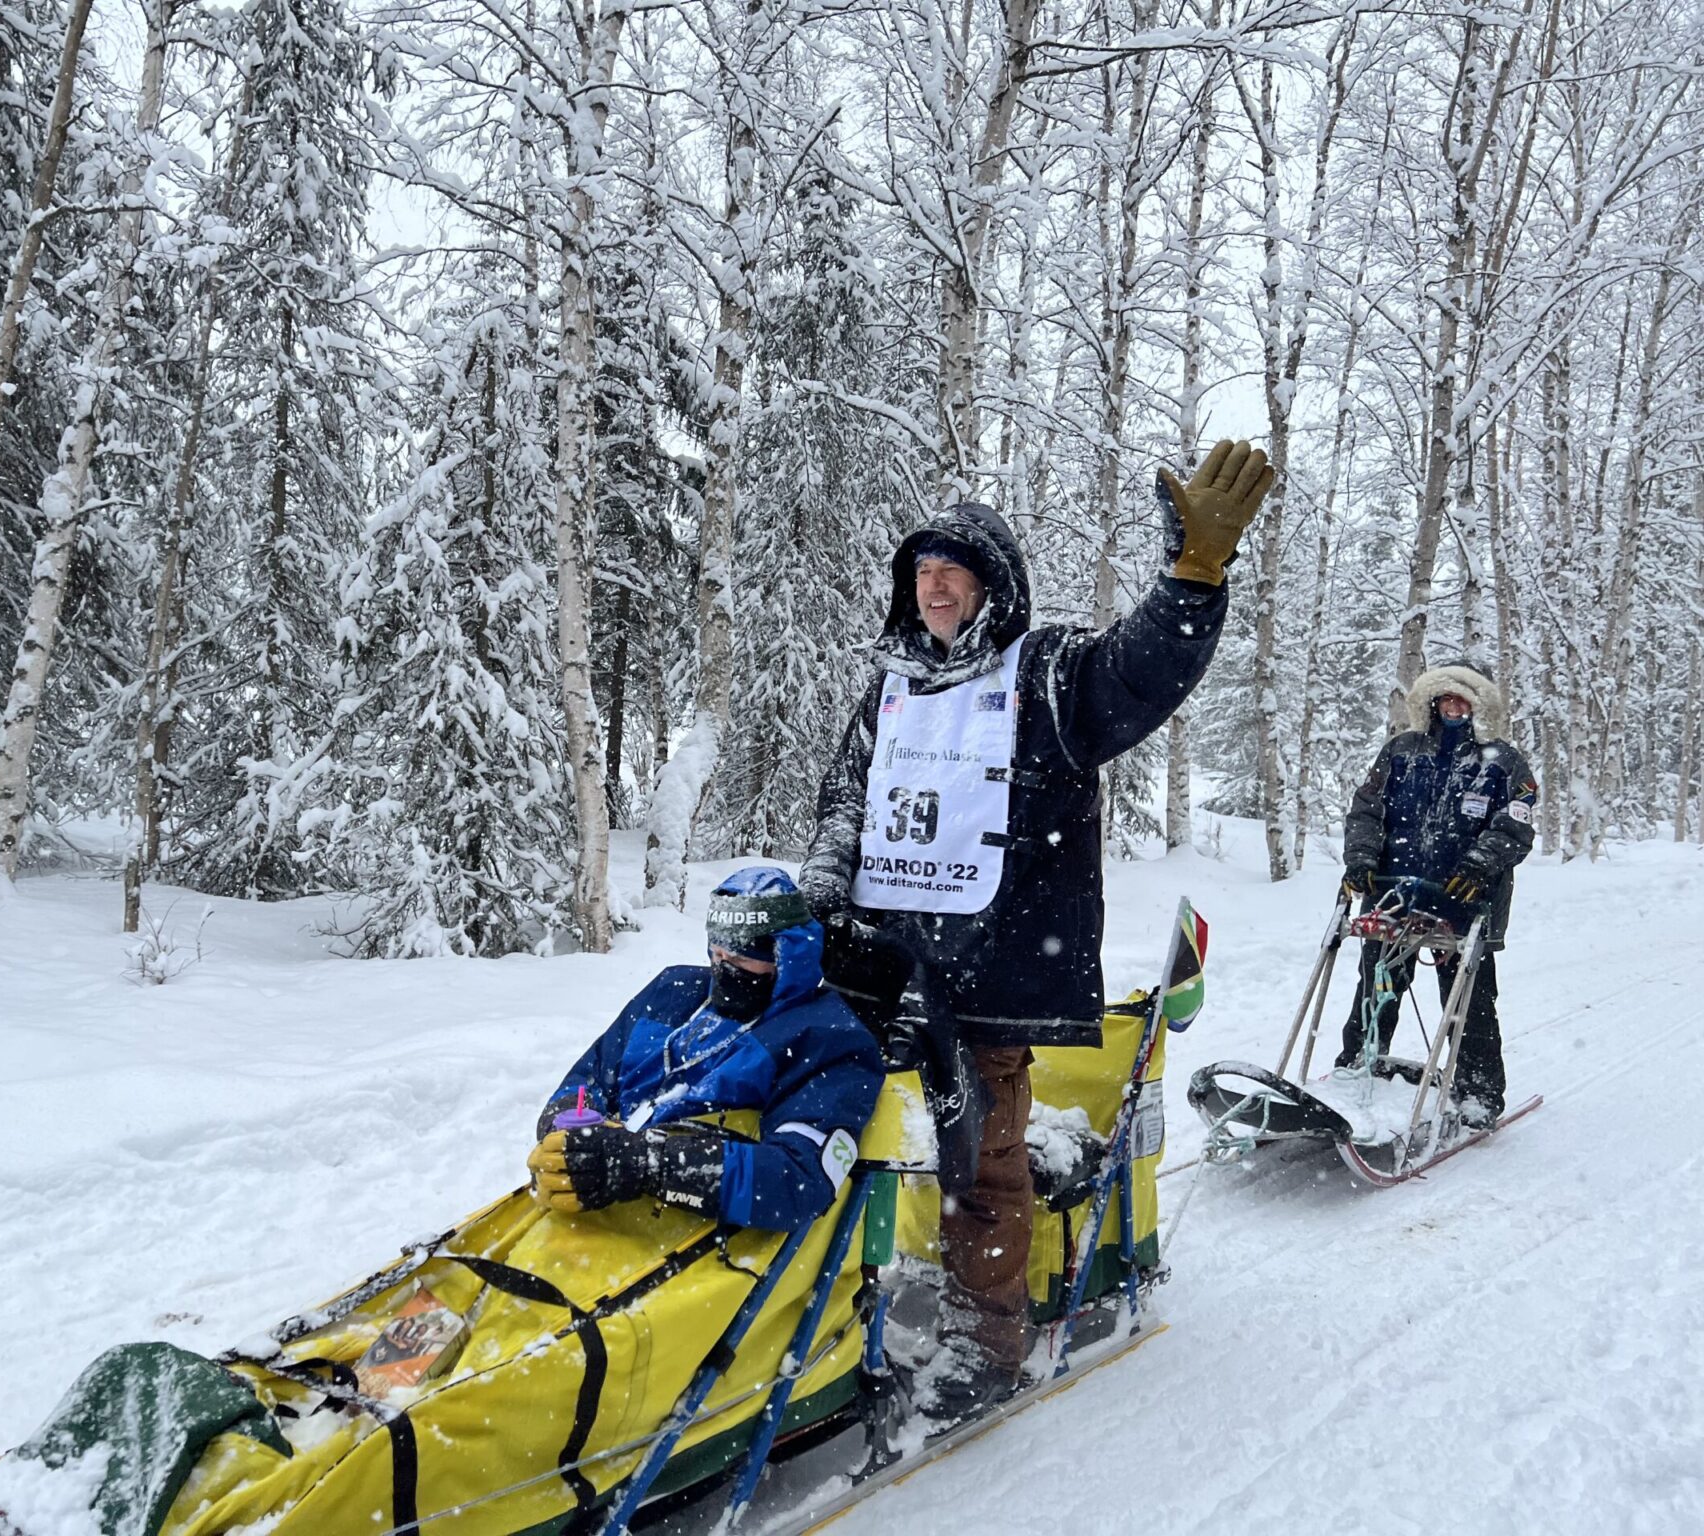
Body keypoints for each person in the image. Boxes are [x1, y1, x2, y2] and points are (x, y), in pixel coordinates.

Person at [799, 441, 1272, 1417]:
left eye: (950, 575)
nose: (932, 591)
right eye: (920, 575)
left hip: (994, 972)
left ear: (990, 586)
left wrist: (1191, 579)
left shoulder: (1044, 674)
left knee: (978, 1156)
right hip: (880, 965)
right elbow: (849, 796)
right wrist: (826, 872)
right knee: (829, 1131)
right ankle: (816, 1324)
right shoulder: (891, 685)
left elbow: (1138, 675)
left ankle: (986, 1343)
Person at [528, 866, 883, 1232]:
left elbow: (796, 1181)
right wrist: (569, 1132)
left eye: (742, 959)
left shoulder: (827, 1037)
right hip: (595, 1203)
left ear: (785, 955)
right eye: (717, 954)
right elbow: (590, 1077)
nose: (724, 969)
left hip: (702, 1232)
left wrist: (648, 1164)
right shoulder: (673, 991)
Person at [1336, 658, 1536, 1125]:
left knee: (1470, 1006)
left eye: (1462, 698)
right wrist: (1362, 857)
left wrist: (1481, 862)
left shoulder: (1504, 761)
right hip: (1394, 896)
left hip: (1466, 903)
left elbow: (1515, 824)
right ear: (1431, 701)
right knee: (1376, 989)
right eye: (1445, 697)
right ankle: (1358, 1069)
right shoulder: (1402, 750)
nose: (1453, 706)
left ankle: (1478, 1095)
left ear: (1478, 705)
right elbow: (1366, 810)